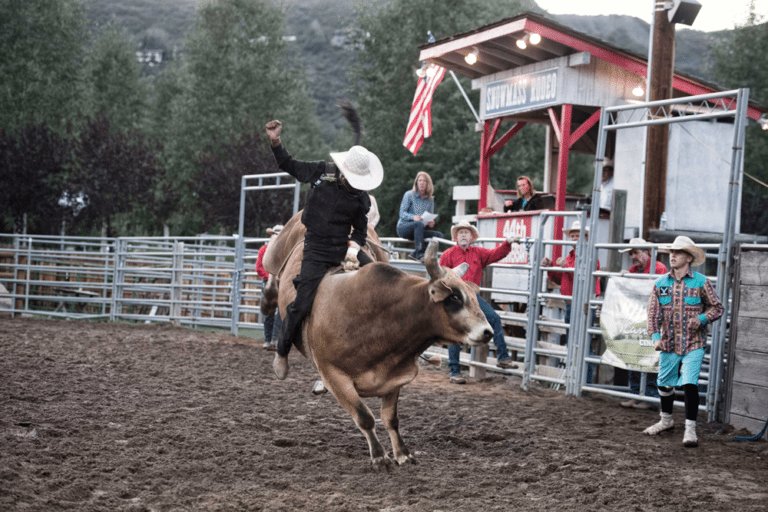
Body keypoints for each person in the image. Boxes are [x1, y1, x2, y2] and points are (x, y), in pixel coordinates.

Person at [265, 119, 383, 380]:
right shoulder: (321, 172)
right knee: (303, 300)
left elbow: (361, 230)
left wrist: (353, 250)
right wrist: (276, 141)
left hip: (342, 246)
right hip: (316, 247)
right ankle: (282, 350)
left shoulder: (361, 197)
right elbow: (288, 164)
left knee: (380, 276)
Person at [644, 236, 723, 447]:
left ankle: (690, 430)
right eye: (671, 252)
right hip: (669, 342)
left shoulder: (701, 282)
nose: (673, 256)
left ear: (688, 257)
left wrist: (702, 318)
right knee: (663, 382)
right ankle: (666, 421)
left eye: (678, 252)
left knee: (690, 383)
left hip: (693, 342)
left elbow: (717, 307)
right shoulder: (661, 284)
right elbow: (653, 314)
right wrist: (656, 337)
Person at [439, 220, 521, 384]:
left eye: (466, 232)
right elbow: (440, 278)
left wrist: (507, 243)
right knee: (455, 332)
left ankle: (502, 357)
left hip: (472, 297)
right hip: (455, 298)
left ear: (471, 237)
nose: (463, 235)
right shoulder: (448, 255)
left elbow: (496, 254)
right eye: (461, 232)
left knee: (494, 318)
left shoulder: (478, 253)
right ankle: (455, 372)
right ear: (456, 236)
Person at [541, 220, 601, 383]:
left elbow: (581, 278)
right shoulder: (570, 256)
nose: (574, 238)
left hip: (583, 305)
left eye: (578, 235)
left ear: (585, 238)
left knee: (583, 344)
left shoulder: (589, 255)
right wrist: (550, 268)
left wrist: (565, 265)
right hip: (571, 303)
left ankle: (584, 382)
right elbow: (561, 280)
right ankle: (576, 380)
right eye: (572, 235)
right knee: (573, 343)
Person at [618, 237, 668, 409]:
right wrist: (626, 278)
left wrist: (629, 278)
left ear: (646, 252)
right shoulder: (635, 269)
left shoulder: (658, 268)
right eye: (631, 253)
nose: (633, 256)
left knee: (649, 356)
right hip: (639, 318)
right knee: (635, 354)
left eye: (636, 252)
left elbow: (663, 293)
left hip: (653, 319)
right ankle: (636, 394)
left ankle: (649, 397)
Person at [396, 171, 443, 261]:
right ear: (416, 183)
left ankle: (415, 253)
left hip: (418, 230)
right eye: (419, 180)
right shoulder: (409, 194)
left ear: (428, 184)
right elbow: (402, 213)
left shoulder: (430, 200)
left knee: (439, 236)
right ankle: (420, 254)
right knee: (418, 224)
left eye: (424, 181)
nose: (421, 183)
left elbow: (429, 217)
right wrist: (413, 217)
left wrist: (431, 223)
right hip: (403, 228)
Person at [255, 224, 283, 351]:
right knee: (270, 313)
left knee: (281, 312)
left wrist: (281, 277)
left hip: (280, 283)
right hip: (269, 283)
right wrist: (271, 277)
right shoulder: (264, 250)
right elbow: (259, 268)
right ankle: (269, 340)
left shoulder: (285, 252)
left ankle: (274, 339)